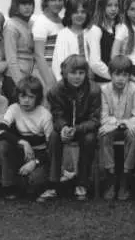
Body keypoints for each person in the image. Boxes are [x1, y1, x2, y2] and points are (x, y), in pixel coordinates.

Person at [38, 55, 100, 202]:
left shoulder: (94, 90)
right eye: (73, 73)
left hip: (84, 129)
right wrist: (64, 127)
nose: (77, 77)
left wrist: (77, 129)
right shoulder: (55, 90)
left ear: (86, 73)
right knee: (53, 136)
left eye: (81, 73)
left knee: (90, 139)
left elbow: (95, 120)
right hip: (64, 128)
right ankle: (53, 183)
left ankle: (82, 183)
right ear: (65, 73)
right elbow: (56, 115)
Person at [0, 76, 53, 200]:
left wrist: (35, 162)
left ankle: (26, 181)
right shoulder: (14, 108)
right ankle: (8, 186)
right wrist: (22, 142)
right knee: (2, 145)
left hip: (39, 156)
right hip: (22, 151)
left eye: (31, 97)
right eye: (23, 96)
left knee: (33, 183)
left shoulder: (45, 115)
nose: (26, 101)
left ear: (38, 98)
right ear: (18, 97)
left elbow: (51, 149)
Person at [98, 55, 135, 201]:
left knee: (134, 133)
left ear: (129, 76)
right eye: (117, 74)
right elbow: (104, 118)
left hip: (127, 127)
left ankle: (125, 177)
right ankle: (111, 177)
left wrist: (123, 123)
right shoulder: (104, 90)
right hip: (111, 128)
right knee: (104, 133)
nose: (120, 79)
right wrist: (120, 123)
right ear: (110, 74)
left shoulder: (134, 89)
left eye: (125, 75)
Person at [2, 0, 37, 104]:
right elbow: (11, 59)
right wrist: (20, 84)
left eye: (30, 3)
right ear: (15, 6)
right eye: (23, 4)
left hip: (30, 78)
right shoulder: (11, 26)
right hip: (15, 79)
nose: (27, 7)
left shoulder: (33, 24)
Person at [32, 0, 66, 91]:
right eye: (53, 0)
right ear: (45, 1)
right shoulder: (41, 22)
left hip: (59, 73)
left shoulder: (61, 22)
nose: (57, 3)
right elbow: (39, 55)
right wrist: (50, 82)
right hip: (45, 75)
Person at [51, 0, 91, 82]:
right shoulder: (63, 34)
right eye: (75, 12)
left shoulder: (90, 33)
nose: (80, 15)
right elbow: (58, 62)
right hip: (69, 83)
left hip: (89, 82)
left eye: (83, 12)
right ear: (69, 14)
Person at [86, 0, 121, 83]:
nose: (113, 9)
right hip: (102, 83)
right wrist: (114, 77)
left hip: (117, 81)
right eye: (109, 5)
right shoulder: (96, 30)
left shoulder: (117, 28)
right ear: (101, 7)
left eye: (116, 5)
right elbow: (95, 63)